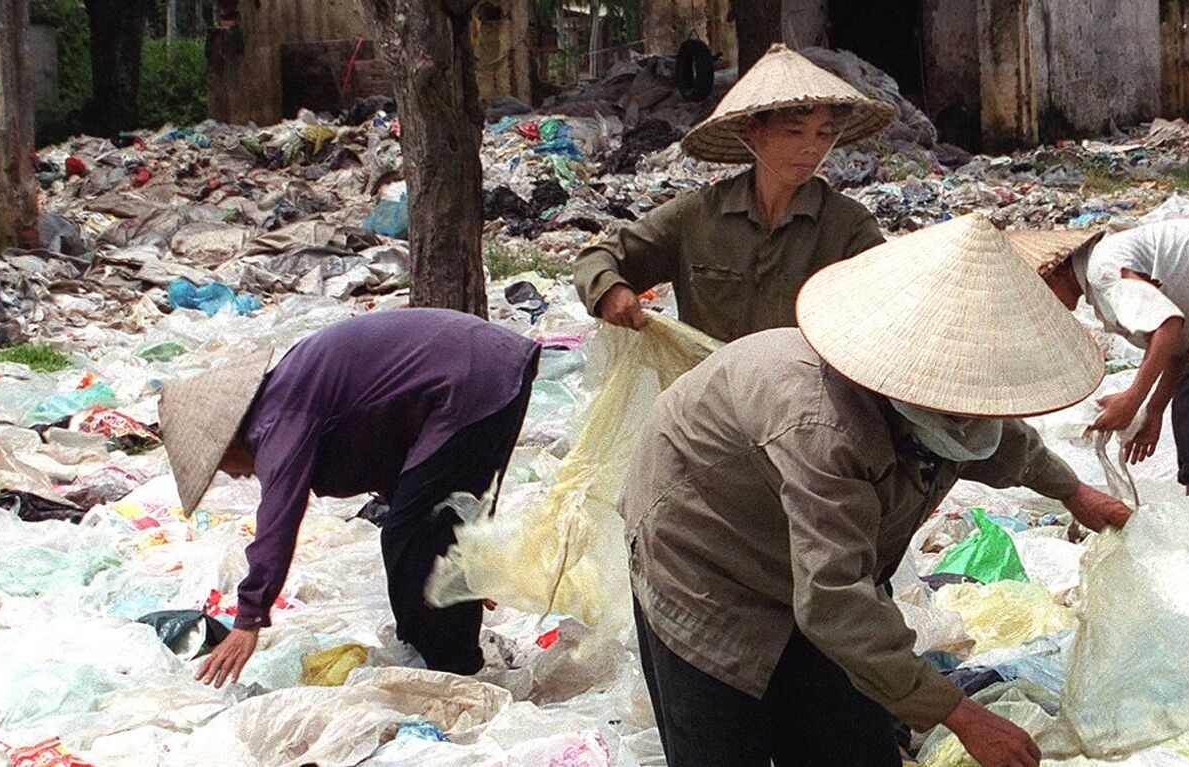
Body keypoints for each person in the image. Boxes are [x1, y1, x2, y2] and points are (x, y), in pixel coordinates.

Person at [621, 215, 1132, 767]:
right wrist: (961, 716)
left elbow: (994, 438)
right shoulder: (823, 425)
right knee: (726, 733)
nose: (977, 413)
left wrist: (1073, 491)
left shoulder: (953, 403)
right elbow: (834, 596)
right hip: (703, 557)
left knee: (848, 732)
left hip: (812, 563)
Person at [157, 309, 541, 687]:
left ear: (228, 440)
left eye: (223, 464)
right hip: (486, 366)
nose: (235, 474)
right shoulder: (291, 393)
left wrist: (249, 619)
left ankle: (455, 675)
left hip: (471, 379)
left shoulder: (279, 417)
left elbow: (279, 515)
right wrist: (469, 560)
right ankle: (442, 658)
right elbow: (402, 460)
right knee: (422, 530)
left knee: (411, 539)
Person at [573, 43, 894, 343]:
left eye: (824, 134)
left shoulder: (847, 226)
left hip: (800, 396)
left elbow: (891, 298)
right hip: (710, 395)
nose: (811, 148)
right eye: (794, 133)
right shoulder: (696, 216)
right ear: (754, 132)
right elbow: (598, 258)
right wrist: (609, 290)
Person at [1010, 220, 1189, 494]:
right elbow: (1177, 348)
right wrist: (1153, 410)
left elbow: (1168, 325)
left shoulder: (1103, 273)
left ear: (1056, 273)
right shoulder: (1103, 267)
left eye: (1042, 292)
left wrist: (1132, 400)